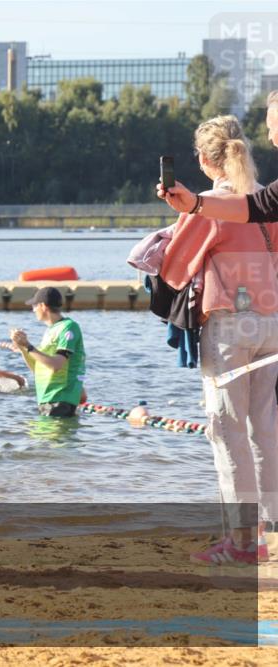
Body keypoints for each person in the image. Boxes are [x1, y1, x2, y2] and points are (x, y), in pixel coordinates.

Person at [158, 115, 277, 566]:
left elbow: (172, 269)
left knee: (227, 431)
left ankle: (243, 544)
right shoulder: (265, 199)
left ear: (205, 160)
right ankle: (268, 531)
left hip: (230, 325)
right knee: (264, 428)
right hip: (271, 321)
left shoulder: (209, 204)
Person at [158, 91, 278, 224]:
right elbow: (257, 207)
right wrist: (194, 203)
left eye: (272, 128)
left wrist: (195, 204)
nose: (270, 137)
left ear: (203, 158)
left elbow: (256, 207)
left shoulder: (204, 215)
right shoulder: (263, 194)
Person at [10, 287, 86, 418]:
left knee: (52, 438)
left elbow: (57, 365)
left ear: (43, 306)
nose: (33, 310)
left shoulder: (68, 327)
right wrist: (22, 347)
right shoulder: (50, 331)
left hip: (60, 399)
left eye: (34, 306)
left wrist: (28, 346)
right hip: (47, 399)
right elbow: (37, 368)